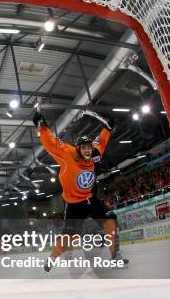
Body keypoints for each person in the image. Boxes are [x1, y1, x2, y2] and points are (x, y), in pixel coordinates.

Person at [32, 112, 128, 272]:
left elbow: (102, 141)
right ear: (78, 149)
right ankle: (52, 257)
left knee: (111, 221)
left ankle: (115, 256)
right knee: (70, 237)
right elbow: (50, 142)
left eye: (89, 147)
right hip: (74, 205)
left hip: (91, 200)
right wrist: (42, 125)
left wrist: (108, 128)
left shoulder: (95, 154)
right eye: (83, 148)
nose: (87, 150)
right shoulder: (67, 153)